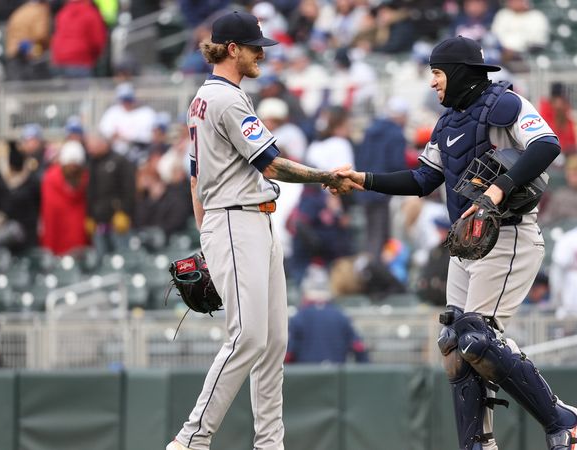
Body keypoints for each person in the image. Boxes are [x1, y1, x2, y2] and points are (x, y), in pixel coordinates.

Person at [334, 36, 577, 450]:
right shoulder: (448, 122)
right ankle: (476, 444)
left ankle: (561, 419)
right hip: (466, 244)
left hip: (508, 234)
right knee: (453, 342)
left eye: (436, 72)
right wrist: (363, 179)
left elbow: (547, 144)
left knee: (475, 335)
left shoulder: (506, 104)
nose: (432, 82)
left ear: (458, 71)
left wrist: (500, 187)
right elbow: (421, 180)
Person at [167, 12, 360, 450]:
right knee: (249, 336)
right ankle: (191, 440)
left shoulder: (207, 97)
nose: (261, 53)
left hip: (245, 217)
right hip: (236, 218)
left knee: (273, 342)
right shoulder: (226, 100)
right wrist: (325, 177)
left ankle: (269, 445)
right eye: (255, 47)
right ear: (232, 48)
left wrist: (205, 231)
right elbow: (271, 164)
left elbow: (195, 175)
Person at [354, 97, 409, 259]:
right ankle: (375, 272)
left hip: (364, 186)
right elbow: (396, 163)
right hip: (383, 188)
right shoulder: (396, 133)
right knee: (381, 234)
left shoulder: (370, 130)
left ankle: (369, 270)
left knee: (370, 234)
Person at [286, 265, 369, 363]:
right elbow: (359, 348)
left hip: (306, 376)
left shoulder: (299, 317)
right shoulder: (340, 316)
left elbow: (288, 355)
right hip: (337, 376)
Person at [85, 133, 136, 254]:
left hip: (117, 222)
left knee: (120, 257)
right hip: (98, 222)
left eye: (92, 145)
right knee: (101, 257)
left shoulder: (120, 161)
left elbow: (129, 189)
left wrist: (125, 212)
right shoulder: (91, 163)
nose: (89, 149)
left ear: (102, 143)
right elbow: (90, 193)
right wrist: (90, 215)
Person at [40, 141, 89, 255]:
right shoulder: (51, 180)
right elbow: (49, 216)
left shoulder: (50, 178)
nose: (72, 169)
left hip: (79, 242)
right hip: (58, 241)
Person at [49, 0, 107, 78]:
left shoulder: (63, 12)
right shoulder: (91, 13)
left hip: (59, 60)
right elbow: (98, 42)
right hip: (80, 61)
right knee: (81, 89)